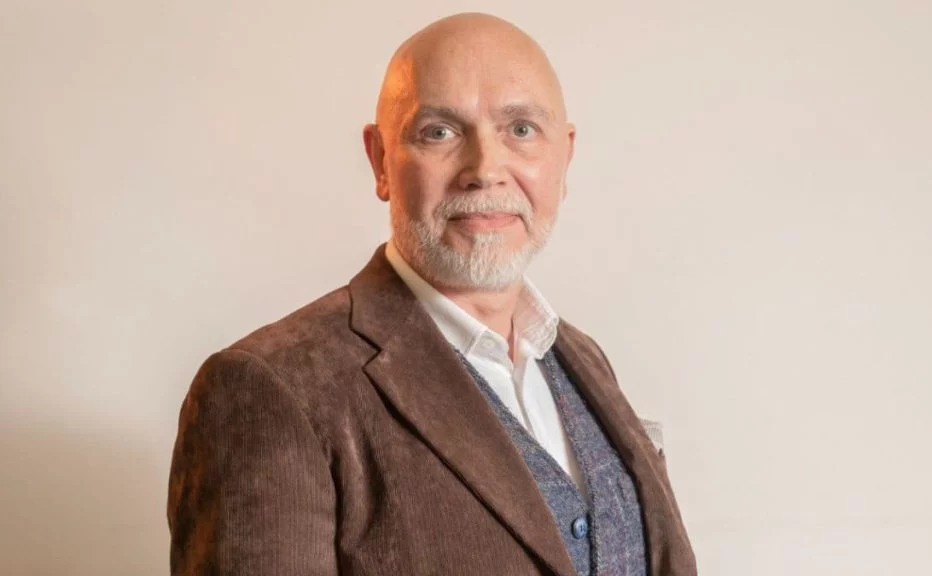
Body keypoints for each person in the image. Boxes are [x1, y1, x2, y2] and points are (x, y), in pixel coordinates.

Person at [167, 12, 697, 575]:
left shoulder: (585, 360)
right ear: (380, 161)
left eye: (521, 130)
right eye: (439, 132)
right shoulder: (272, 390)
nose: (485, 169)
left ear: (564, 158)